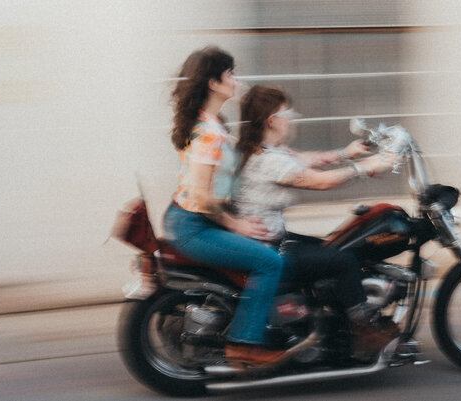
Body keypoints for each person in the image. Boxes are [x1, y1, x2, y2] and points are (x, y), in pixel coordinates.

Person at [233, 85, 400, 360]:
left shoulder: (266, 150)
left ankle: (329, 322)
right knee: (343, 260)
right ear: (272, 120)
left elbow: (306, 159)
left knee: (332, 247)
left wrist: (348, 153)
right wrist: (367, 168)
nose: (293, 118)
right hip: (269, 246)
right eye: (288, 113)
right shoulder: (267, 160)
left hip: (272, 239)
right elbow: (319, 182)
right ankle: (365, 333)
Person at [161, 47, 287, 366]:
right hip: (195, 226)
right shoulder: (210, 134)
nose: (235, 79)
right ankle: (245, 343)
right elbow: (202, 196)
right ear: (213, 83)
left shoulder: (211, 122)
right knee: (270, 263)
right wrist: (237, 225)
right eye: (229, 74)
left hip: (190, 221)